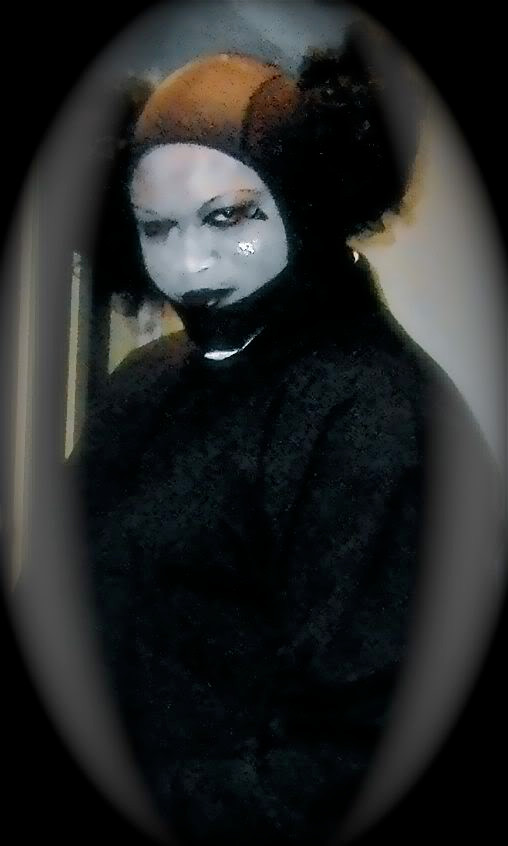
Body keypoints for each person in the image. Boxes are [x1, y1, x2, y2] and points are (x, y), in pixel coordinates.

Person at [69, 35, 498, 846]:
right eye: (157, 228)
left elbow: (351, 762)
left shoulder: (383, 422)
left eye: (228, 217)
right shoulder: (141, 384)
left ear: (304, 202)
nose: (191, 266)